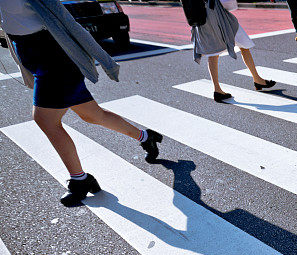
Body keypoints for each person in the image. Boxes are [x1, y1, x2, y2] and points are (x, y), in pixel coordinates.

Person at [0, 0, 163, 207]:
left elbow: (67, 20)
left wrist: (104, 59)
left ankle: (80, 180)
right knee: (93, 115)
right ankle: (146, 137)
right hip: (30, 52)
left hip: (54, 56)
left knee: (45, 120)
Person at [191, 0, 277, 103]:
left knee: (213, 52)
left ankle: (217, 89)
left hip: (201, 16)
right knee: (243, 43)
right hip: (217, 14)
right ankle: (257, 79)